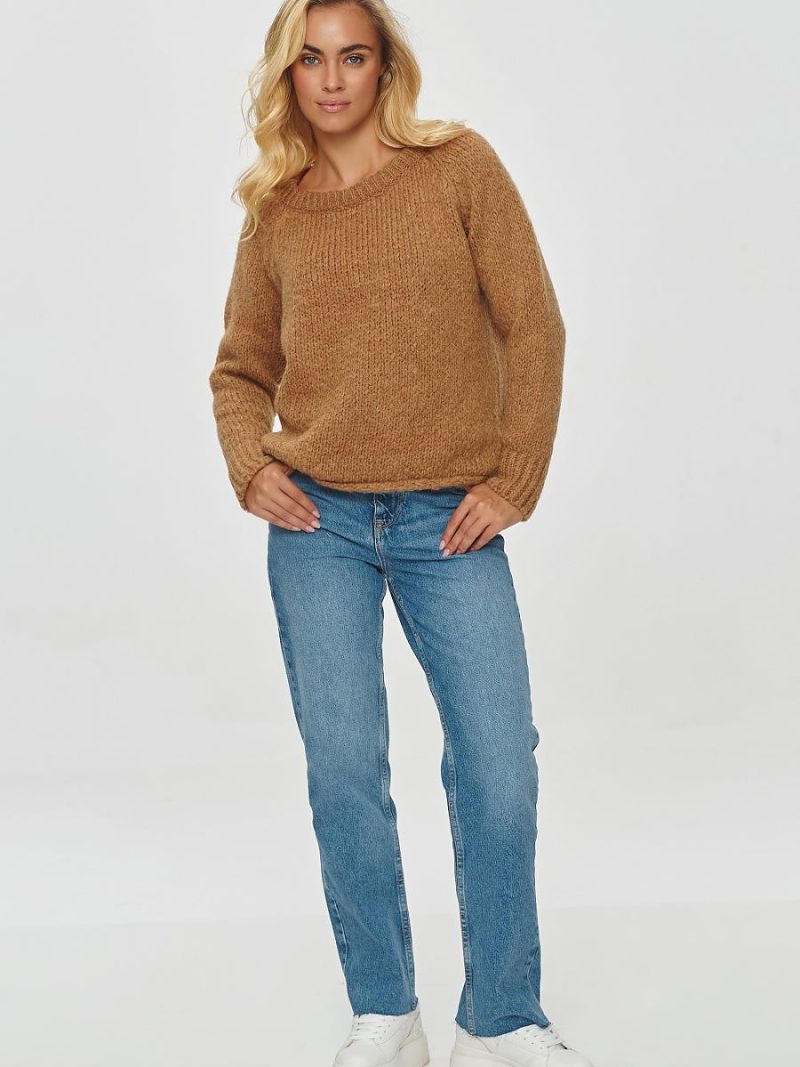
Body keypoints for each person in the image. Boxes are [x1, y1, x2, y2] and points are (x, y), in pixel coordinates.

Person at [209, 2, 594, 1066]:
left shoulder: (458, 167)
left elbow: (534, 323)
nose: (332, 79)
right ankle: (386, 1009)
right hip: (317, 519)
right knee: (344, 769)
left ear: (385, 68)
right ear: (287, 76)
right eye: (310, 60)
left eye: (353, 56)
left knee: (498, 762)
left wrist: (514, 479)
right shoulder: (275, 211)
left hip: (448, 517)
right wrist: (251, 463)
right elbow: (240, 368)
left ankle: (499, 1014)